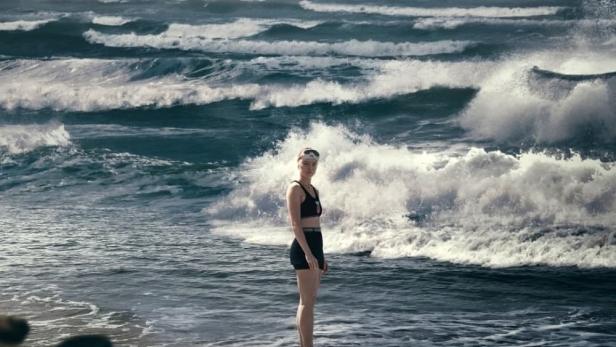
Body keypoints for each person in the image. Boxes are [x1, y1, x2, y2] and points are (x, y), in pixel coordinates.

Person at [286, 147, 329, 347]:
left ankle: (304, 344)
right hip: (304, 247)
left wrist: (321, 255)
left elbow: (317, 225)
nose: (310, 168)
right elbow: (296, 225)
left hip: (315, 245)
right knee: (307, 303)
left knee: (309, 302)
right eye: (306, 164)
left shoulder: (315, 190)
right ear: (298, 164)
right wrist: (308, 254)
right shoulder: (295, 188)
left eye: (313, 164)